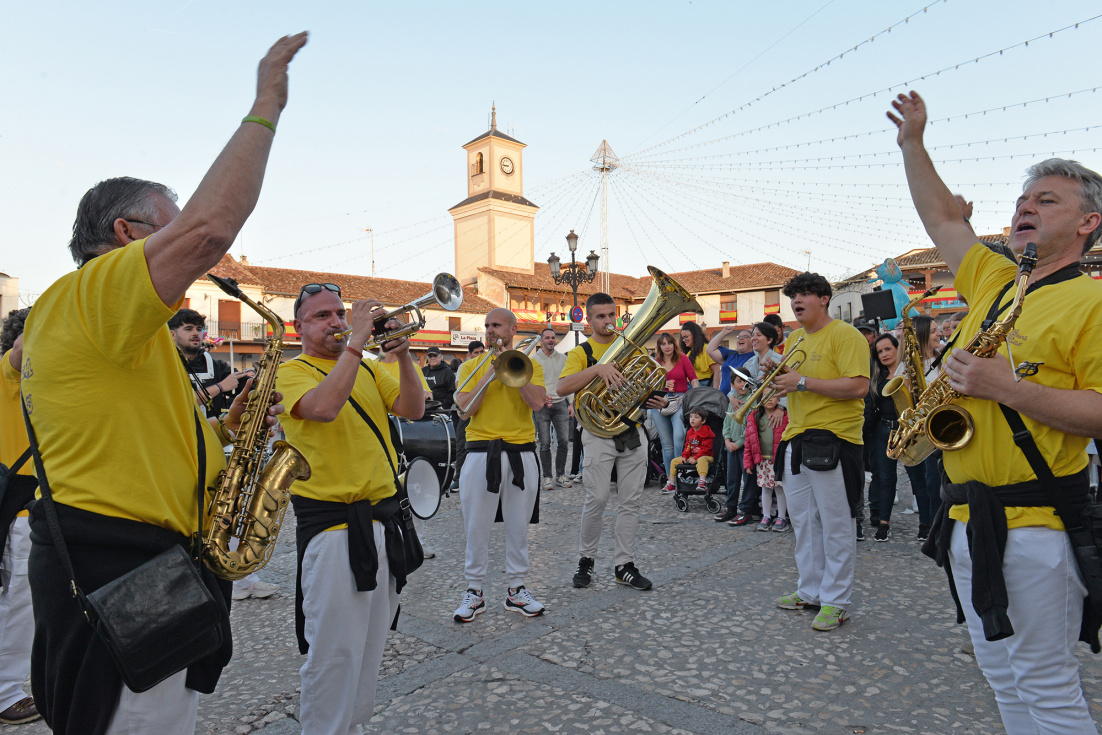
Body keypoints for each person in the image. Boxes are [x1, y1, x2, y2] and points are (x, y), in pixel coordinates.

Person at [20, 33, 305, 733]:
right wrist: (267, 102)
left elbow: (128, 443)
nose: (192, 255)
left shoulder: (128, 329)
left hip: (150, 569)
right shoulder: (93, 291)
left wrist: (224, 436)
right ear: (125, 234)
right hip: (125, 574)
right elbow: (210, 229)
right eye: (163, 234)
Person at [891, 89, 1102, 733]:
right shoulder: (993, 279)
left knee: (1045, 683)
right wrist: (913, 145)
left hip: (1040, 521)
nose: (1025, 209)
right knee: (1001, 678)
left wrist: (1004, 386)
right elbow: (943, 221)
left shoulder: (1092, 303)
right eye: (1021, 202)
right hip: (967, 514)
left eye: (1046, 200)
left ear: (1089, 223)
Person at [276, 282, 425, 734]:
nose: (337, 322)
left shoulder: (368, 368)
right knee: (334, 655)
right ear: (298, 326)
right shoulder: (290, 372)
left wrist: (401, 355)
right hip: (333, 529)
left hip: (383, 520)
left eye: (340, 314)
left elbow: (414, 409)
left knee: (370, 649)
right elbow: (322, 408)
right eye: (322, 316)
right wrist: (358, 343)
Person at [769, 272, 870, 632]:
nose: (796, 302)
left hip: (836, 440)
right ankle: (810, 590)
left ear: (825, 298)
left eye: (805, 295)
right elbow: (792, 386)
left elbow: (859, 386)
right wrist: (777, 381)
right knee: (804, 522)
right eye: (793, 296)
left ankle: (837, 601)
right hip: (796, 439)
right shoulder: (795, 338)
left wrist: (802, 382)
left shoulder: (846, 335)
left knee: (836, 524)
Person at [557, 293, 665, 592]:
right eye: (600, 317)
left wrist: (654, 399)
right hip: (597, 434)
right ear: (589, 320)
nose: (607, 321)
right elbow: (562, 386)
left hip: (631, 432)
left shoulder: (632, 348)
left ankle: (624, 564)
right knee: (598, 499)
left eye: (611, 315)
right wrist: (597, 369)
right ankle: (586, 559)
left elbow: (645, 386)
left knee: (631, 502)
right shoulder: (582, 352)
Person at [452, 309, 547, 621]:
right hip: (480, 452)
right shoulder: (470, 365)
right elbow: (464, 409)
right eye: (488, 325)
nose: (490, 330)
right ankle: (474, 590)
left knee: (518, 526)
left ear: (513, 328)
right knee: (476, 526)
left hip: (521, 453)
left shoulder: (529, 364)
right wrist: (491, 373)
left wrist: (512, 371)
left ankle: (517, 588)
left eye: (497, 325)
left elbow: (536, 402)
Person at [0, 309, 38, 725]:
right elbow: (20, 349)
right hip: (20, 503)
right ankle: (5, 692)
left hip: (36, 499)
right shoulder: (11, 371)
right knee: (17, 601)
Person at [866, 333, 929, 542]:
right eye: (879, 352)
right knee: (886, 480)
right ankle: (883, 524)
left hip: (910, 431)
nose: (884, 354)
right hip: (885, 431)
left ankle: (926, 525)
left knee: (917, 479)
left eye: (887, 349)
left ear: (897, 349)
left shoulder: (911, 372)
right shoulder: (877, 377)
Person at [168, 309, 250, 418]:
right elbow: (178, 405)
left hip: (213, 433)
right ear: (172, 335)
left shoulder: (218, 367)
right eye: (188, 329)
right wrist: (220, 387)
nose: (196, 333)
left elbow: (248, 388)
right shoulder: (164, 366)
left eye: (199, 329)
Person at [648, 333, 698, 481]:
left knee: (679, 436)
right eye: (663, 344)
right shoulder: (655, 362)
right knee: (666, 443)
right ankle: (671, 478)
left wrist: (695, 395)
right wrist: (662, 384)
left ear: (674, 344)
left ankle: (680, 473)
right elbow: (650, 385)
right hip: (659, 401)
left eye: (669, 343)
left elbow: (693, 379)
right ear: (659, 347)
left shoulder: (683, 358)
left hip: (681, 399)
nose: (667, 346)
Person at [532, 328, 571, 490]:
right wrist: (538, 398)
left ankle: (561, 475)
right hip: (542, 405)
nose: (550, 340)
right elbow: (531, 383)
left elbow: (569, 380)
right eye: (547, 338)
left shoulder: (563, 358)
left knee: (563, 441)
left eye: (553, 338)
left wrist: (572, 403)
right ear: (541, 341)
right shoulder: (534, 360)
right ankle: (547, 477)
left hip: (561, 402)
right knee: (545, 443)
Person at [852, 316, 880, 541]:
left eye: (867, 332)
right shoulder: (849, 353)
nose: (863, 337)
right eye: (859, 332)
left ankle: (870, 519)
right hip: (852, 425)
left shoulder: (878, 356)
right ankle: (853, 521)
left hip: (870, 426)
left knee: (869, 477)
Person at [745, 396, 789, 532]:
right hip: (763, 460)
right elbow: (749, 441)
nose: (770, 399)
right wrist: (748, 462)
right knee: (765, 489)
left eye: (773, 396)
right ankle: (766, 516)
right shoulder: (754, 417)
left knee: (780, 489)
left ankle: (782, 517)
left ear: (779, 400)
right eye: (766, 396)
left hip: (778, 460)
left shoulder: (785, 416)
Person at [714, 375, 750, 523]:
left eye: (745, 382)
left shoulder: (750, 400)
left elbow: (750, 425)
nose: (742, 385)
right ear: (732, 384)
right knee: (732, 479)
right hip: (731, 445)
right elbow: (727, 422)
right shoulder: (733, 400)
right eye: (738, 382)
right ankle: (731, 507)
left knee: (748, 479)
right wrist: (727, 440)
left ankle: (746, 510)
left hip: (744, 446)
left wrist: (740, 442)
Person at [452, 339, 485, 488]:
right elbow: (459, 387)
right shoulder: (465, 367)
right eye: (476, 353)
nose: (479, 355)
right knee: (461, 444)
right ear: (470, 354)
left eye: (481, 352)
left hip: (484, 409)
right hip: (468, 408)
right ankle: (459, 478)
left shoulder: (487, 364)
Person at [663, 409, 715, 494]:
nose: (692, 419)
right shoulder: (690, 432)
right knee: (674, 461)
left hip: (706, 456)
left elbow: (706, 449)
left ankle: (702, 481)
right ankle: (672, 483)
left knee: (702, 460)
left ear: (703, 421)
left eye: (696, 417)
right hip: (692, 456)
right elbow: (688, 446)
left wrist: (696, 458)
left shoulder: (706, 432)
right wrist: (684, 456)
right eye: (691, 417)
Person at [706, 326, 754, 395]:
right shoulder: (731, 354)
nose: (741, 338)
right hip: (724, 398)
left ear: (752, 341)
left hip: (741, 398)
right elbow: (710, 349)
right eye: (739, 337)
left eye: (745, 336)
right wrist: (724, 332)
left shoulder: (754, 356)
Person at [679, 321, 716, 387]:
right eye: (682, 338)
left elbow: (717, 371)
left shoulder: (706, 348)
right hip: (691, 386)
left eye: (686, 337)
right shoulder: (689, 353)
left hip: (704, 386)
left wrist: (716, 391)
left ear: (695, 335)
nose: (684, 340)